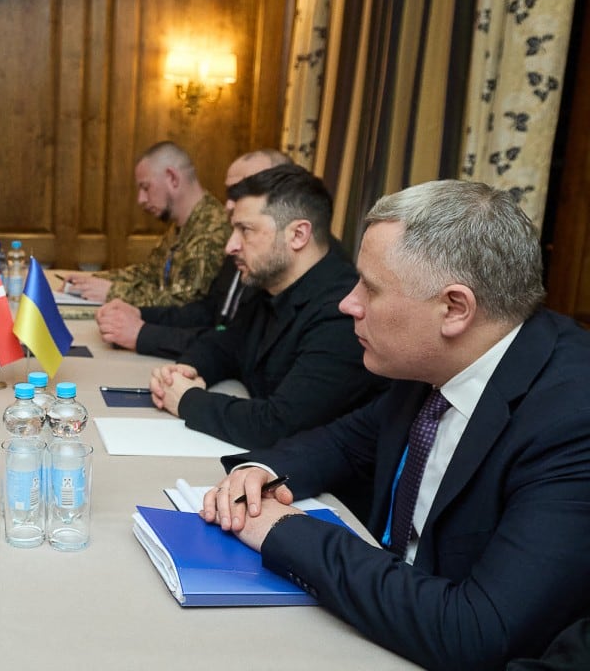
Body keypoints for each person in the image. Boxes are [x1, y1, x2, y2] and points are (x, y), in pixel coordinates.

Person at [200, 180, 590, 669]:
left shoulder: (572, 419)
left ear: (454, 308)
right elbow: (348, 441)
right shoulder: (428, 362)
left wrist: (283, 531)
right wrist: (262, 470)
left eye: (371, 287)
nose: (348, 304)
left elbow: (478, 630)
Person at [148, 165, 385, 451]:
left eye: (245, 230)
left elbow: (278, 425)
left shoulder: (342, 313)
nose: (230, 246)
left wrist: (187, 400)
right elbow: (225, 344)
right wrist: (188, 369)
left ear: (298, 235)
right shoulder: (269, 282)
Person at [97, 148, 292, 357]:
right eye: (230, 193)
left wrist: (142, 333)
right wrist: (140, 314)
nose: (228, 205)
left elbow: (233, 344)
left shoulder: (267, 260)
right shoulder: (239, 243)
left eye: (242, 192)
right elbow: (208, 311)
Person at [63, 141, 230, 307]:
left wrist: (113, 292)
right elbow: (150, 273)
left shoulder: (211, 229)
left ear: (172, 178)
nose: (141, 199)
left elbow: (184, 304)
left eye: (146, 187)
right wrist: (94, 281)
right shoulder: (183, 224)